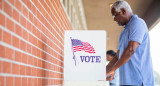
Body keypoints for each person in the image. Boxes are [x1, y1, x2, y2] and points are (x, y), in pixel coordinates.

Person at [106, 0, 155, 86]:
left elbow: (131, 50)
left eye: (115, 15)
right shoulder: (124, 32)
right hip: (126, 81)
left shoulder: (137, 23)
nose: (114, 19)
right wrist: (106, 69)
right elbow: (118, 56)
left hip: (139, 81)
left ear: (124, 11)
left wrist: (113, 69)